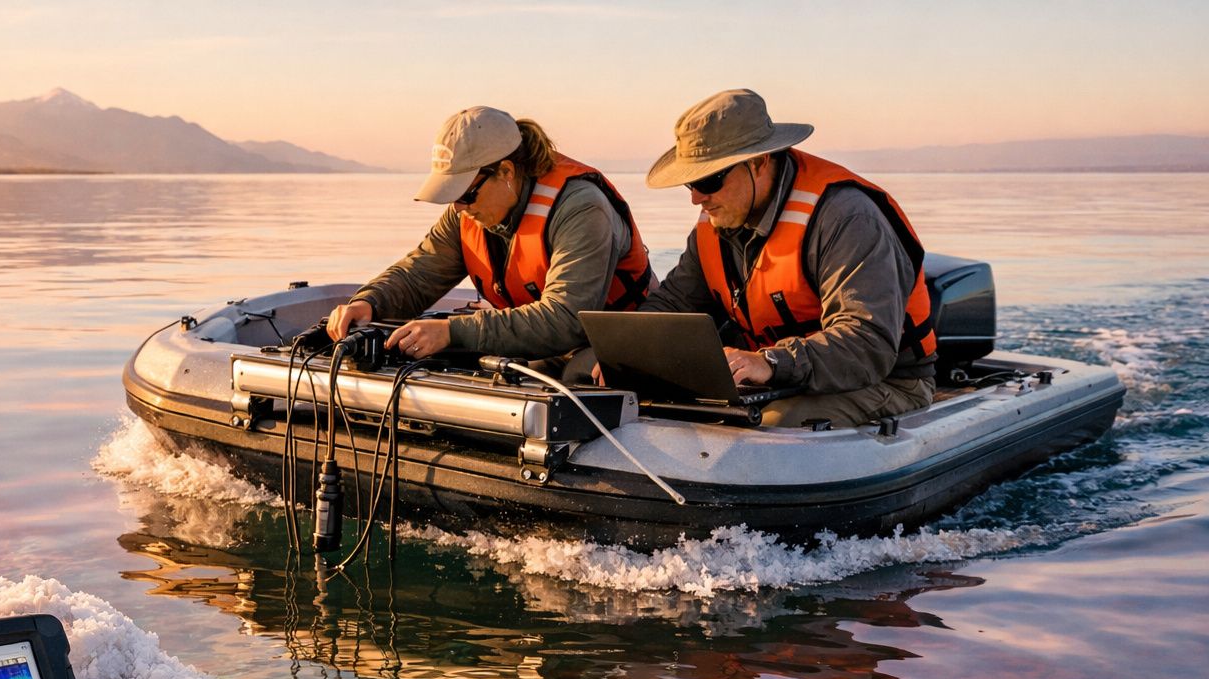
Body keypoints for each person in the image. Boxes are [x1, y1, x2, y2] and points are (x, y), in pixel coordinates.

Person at [639, 89, 938, 428]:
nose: (696, 198)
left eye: (709, 180)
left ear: (758, 162)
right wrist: (631, 354)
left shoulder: (847, 217)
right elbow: (675, 302)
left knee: (773, 425)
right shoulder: (718, 220)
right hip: (778, 375)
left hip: (886, 382)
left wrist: (771, 363)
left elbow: (867, 344)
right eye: (690, 183)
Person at [327, 106, 652, 371]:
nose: (457, 206)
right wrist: (368, 301)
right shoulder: (468, 211)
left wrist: (453, 332)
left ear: (506, 171)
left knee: (570, 375)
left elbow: (566, 319)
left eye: (465, 194)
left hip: (611, 344)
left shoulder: (581, 206)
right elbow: (419, 273)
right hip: (534, 341)